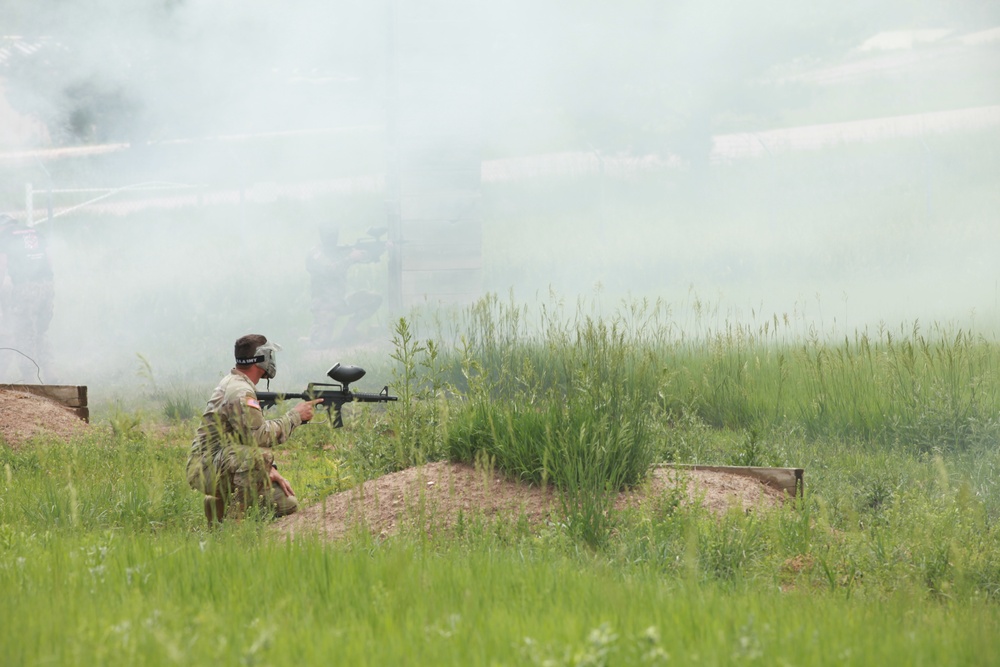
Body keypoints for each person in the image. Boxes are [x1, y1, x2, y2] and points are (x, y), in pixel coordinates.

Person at [185, 334, 322, 526]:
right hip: (205, 469)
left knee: (286, 504)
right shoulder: (240, 391)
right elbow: (259, 436)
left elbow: (243, 436)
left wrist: (269, 470)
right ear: (261, 359)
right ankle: (234, 528)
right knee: (261, 456)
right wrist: (295, 416)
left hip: (220, 463)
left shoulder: (237, 384)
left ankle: (218, 507)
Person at [306, 223, 384, 348]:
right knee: (320, 344)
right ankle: (304, 341)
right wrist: (350, 258)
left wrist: (378, 250)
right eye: (330, 235)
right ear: (323, 236)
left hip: (340, 302)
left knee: (374, 298)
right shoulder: (316, 254)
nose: (333, 238)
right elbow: (330, 270)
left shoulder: (339, 251)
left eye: (334, 234)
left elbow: (365, 258)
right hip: (324, 306)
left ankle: (350, 328)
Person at [0, 214, 54, 382]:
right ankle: (51, 374)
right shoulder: (33, 231)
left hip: (24, 288)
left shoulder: (5, 237)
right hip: (47, 285)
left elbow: (1, 265)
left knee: (22, 333)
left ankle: (30, 380)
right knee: (40, 332)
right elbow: (49, 260)